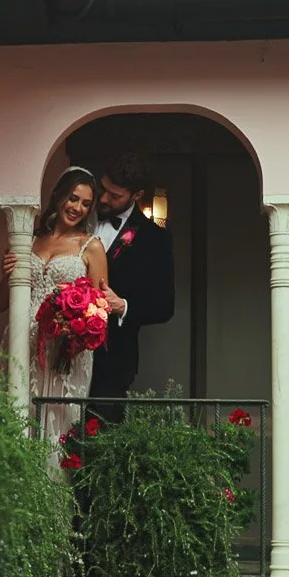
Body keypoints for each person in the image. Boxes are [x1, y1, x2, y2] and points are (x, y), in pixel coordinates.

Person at [0, 166, 108, 441]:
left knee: (54, 429)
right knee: (16, 418)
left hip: (63, 352)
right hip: (23, 341)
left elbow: (99, 311)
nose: (78, 208)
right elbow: (0, 303)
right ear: (58, 195)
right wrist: (5, 274)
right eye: (73, 198)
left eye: (85, 203)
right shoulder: (28, 241)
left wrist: (72, 332)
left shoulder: (91, 246)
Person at [86, 152, 175, 422]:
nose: (103, 199)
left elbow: (165, 306)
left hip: (113, 360)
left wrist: (122, 306)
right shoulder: (76, 214)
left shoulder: (154, 239)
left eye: (114, 196)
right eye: (103, 189)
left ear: (136, 195)